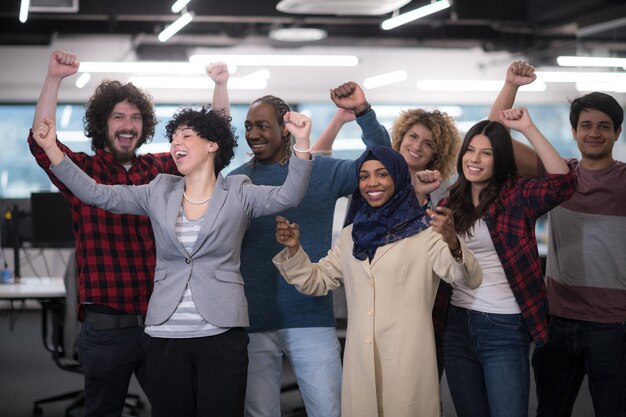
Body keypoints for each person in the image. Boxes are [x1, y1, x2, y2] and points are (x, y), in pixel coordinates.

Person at [32, 106, 314, 417]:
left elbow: (289, 196)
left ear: (212, 144)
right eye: (173, 138)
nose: (175, 144)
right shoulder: (159, 189)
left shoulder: (239, 191)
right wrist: (51, 151)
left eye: (187, 136)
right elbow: (97, 194)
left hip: (220, 332)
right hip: (165, 334)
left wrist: (301, 143)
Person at [27, 50, 230, 417]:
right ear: (102, 124)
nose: (128, 123)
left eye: (135, 117)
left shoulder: (160, 172)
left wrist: (220, 86)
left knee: (180, 409)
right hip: (107, 327)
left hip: (161, 323)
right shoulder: (82, 172)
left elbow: (212, 146)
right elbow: (42, 143)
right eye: (118, 116)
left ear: (144, 126)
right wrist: (54, 79)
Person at [219, 78, 390, 417]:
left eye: (263, 126)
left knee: (328, 410)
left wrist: (362, 111)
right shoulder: (236, 181)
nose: (253, 134)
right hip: (252, 319)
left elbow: (383, 161)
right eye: (249, 126)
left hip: (310, 316)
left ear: (286, 128)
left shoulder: (322, 171)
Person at [272, 145, 483, 417]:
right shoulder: (352, 235)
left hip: (406, 360)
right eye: (364, 176)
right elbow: (318, 280)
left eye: (382, 174)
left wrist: (453, 241)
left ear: (398, 178)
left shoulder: (425, 232)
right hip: (361, 360)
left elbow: (466, 277)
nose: (372, 182)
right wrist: (293, 249)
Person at [491, 64, 626, 417]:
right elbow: (494, 136)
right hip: (558, 321)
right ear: (574, 131)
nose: (594, 133)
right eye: (586, 125)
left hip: (614, 325)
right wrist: (510, 86)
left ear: (617, 133)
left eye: (603, 126)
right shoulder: (557, 176)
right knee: (550, 411)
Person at [428, 107, 577, 417]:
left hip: (504, 325)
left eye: (486, 153)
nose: (474, 159)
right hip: (457, 323)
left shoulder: (517, 196)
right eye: (470, 150)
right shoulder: (449, 202)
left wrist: (528, 128)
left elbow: (563, 184)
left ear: (500, 160)